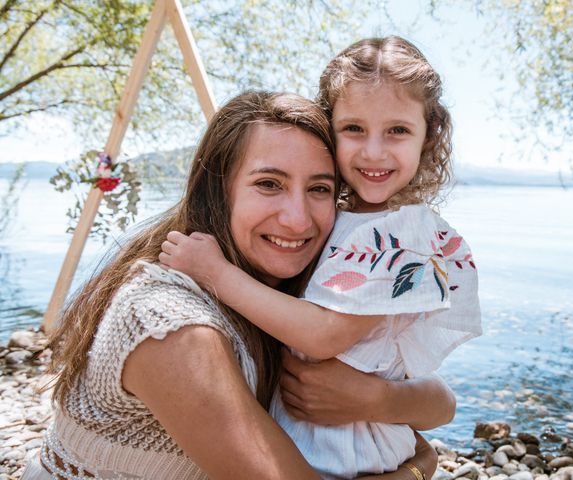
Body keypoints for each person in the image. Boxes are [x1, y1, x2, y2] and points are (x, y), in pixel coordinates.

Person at [23, 91, 451, 480]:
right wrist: (417, 469)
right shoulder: (168, 323)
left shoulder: (289, 294)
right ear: (217, 191)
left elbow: (440, 401)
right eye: (269, 184)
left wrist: (376, 399)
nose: (298, 220)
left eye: (319, 189)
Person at [160, 37, 482, 479]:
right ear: (328, 130)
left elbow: (322, 336)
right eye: (354, 129)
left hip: (345, 448)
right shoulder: (343, 218)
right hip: (316, 431)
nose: (373, 151)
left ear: (429, 137)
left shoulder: (404, 234)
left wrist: (215, 273)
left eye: (398, 131)